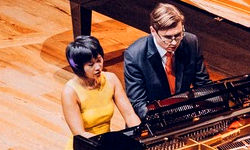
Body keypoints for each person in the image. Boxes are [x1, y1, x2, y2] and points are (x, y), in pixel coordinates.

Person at [124, 3, 212, 119]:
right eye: (168, 37)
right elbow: (139, 104)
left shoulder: (191, 42)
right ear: (153, 31)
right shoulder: (134, 55)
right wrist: (168, 118)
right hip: (154, 121)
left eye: (178, 35)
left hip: (186, 115)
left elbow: (203, 84)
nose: (174, 42)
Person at [61, 35, 141, 150]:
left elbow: (129, 114)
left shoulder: (111, 79)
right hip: (87, 146)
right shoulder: (70, 92)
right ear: (78, 67)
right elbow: (79, 134)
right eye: (91, 64)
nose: (98, 67)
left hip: (107, 143)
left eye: (99, 60)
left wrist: (141, 136)